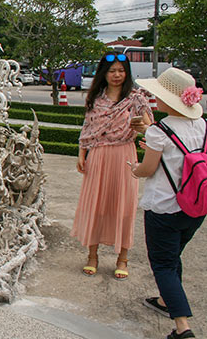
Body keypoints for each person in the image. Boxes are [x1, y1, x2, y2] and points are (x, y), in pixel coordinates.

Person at [130, 67, 204, 339]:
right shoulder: (203, 126)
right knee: (173, 258)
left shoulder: (160, 130)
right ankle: (165, 301)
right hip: (195, 207)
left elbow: (148, 169)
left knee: (162, 264)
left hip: (164, 207)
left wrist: (134, 168)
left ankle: (182, 327)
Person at [71, 52, 152, 279]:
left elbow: (149, 127)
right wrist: (81, 153)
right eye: (112, 70)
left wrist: (140, 126)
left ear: (127, 73)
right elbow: (87, 128)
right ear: (103, 74)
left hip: (124, 154)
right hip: (98, 155)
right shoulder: (96, 98)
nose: (117, 75)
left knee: (123, 206)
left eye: (121, 70)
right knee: (96, 205)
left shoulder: (136, 98)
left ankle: (122, 258)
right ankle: (92, 256)